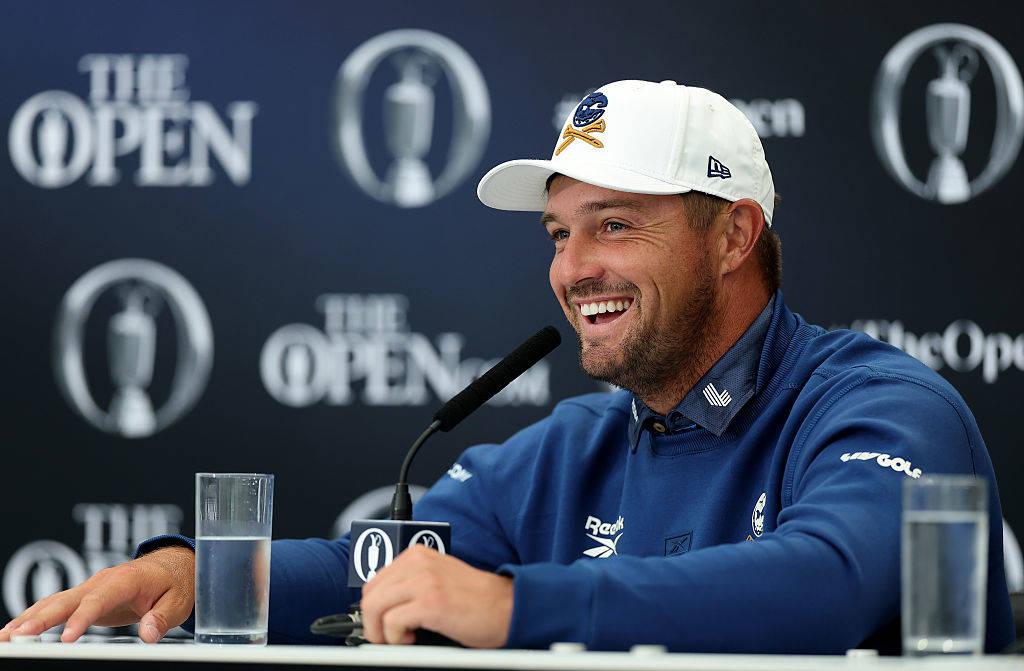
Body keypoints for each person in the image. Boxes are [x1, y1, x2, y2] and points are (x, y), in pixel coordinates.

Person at [1, 80, 1014, 653]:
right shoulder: (569, 445)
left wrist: (517, 604)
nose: (573, 269)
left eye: (615, 225)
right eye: (558, 232)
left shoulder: (880, 406)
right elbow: (386, 569)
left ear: (733, 234)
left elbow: (832, 581)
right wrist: (200, 570)